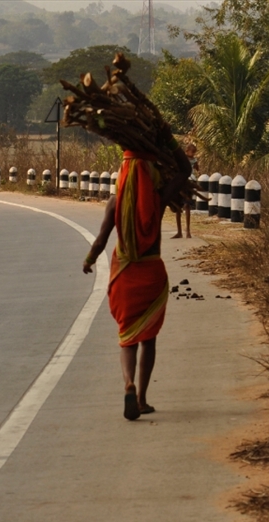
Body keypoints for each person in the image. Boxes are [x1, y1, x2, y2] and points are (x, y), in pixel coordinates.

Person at [83, 144, 192, 420]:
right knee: (149, 339)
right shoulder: (158, 198)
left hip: (125, 274)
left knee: (127, 338)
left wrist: (89, 260)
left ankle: (128, 383)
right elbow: (185, 170)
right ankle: (142, 398)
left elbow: (100, 240)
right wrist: (169, 142)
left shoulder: (114, 202)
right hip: (151, 273)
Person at [172, 144, 199, 238]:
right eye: (192, 151)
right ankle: (179, 231)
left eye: (194, 152)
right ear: (187, 151)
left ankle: (187, 230)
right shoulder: (182, 159)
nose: (192, 154)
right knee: (178, 207)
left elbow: (197, 169)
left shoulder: (194, 160)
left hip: (189, 181)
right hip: (181, 181)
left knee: (187, 205)